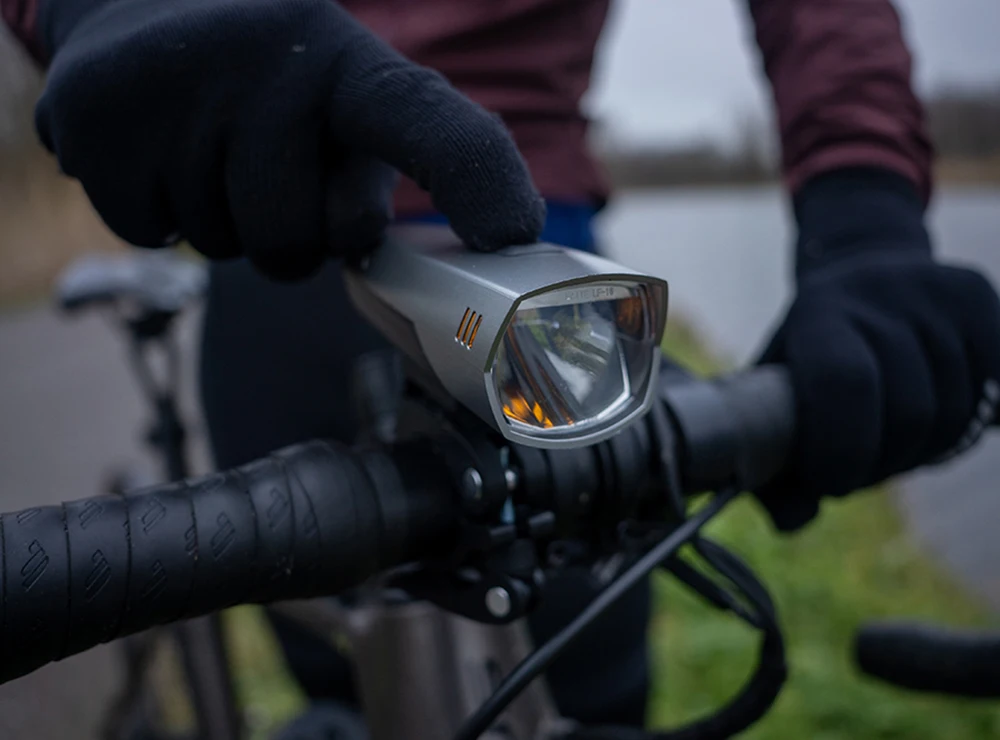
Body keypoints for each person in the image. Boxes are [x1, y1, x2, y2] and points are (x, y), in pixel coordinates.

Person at [4, 0, 1000, 732]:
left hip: (527, 249)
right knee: (337, 681)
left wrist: (862, 218)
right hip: (271, 224)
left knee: (586, 695)